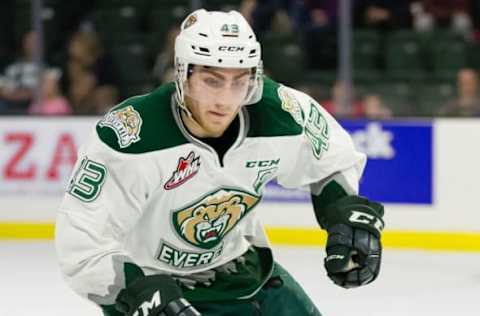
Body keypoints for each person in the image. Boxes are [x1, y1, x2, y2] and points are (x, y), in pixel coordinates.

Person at [55, 9, 385, 316]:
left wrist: (342, 212)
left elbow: (330, 159)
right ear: (183, 75)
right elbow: (82, 244)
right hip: (151, 288)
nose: (226, 100)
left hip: (242, 277)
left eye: (239, 81)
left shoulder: (280, 113)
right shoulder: (132, 136)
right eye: (212, 80)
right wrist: (139, 291)